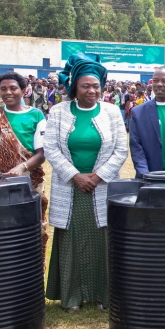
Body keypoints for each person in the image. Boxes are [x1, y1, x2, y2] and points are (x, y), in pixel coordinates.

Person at [44, 54, 128, 312]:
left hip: (102, 186)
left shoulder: (112, 111)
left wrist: (97, 176)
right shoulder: (58, 111)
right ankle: (72, 297)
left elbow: (121, 150)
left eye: (96, 86)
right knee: (71, 241)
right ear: (74, 88)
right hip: (70, 187)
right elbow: (51, 148)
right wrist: (76, 176)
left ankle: (104, 295)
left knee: (104, 239)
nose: (92, 91)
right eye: (85, 86)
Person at [0, 73, 49, 264]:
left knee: (29, 230)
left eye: (13, 88)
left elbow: (41, 153)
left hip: (28, 181)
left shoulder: (35, 115)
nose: (8, 92)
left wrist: (22, 167)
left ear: (23, 90)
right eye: (3, 89)